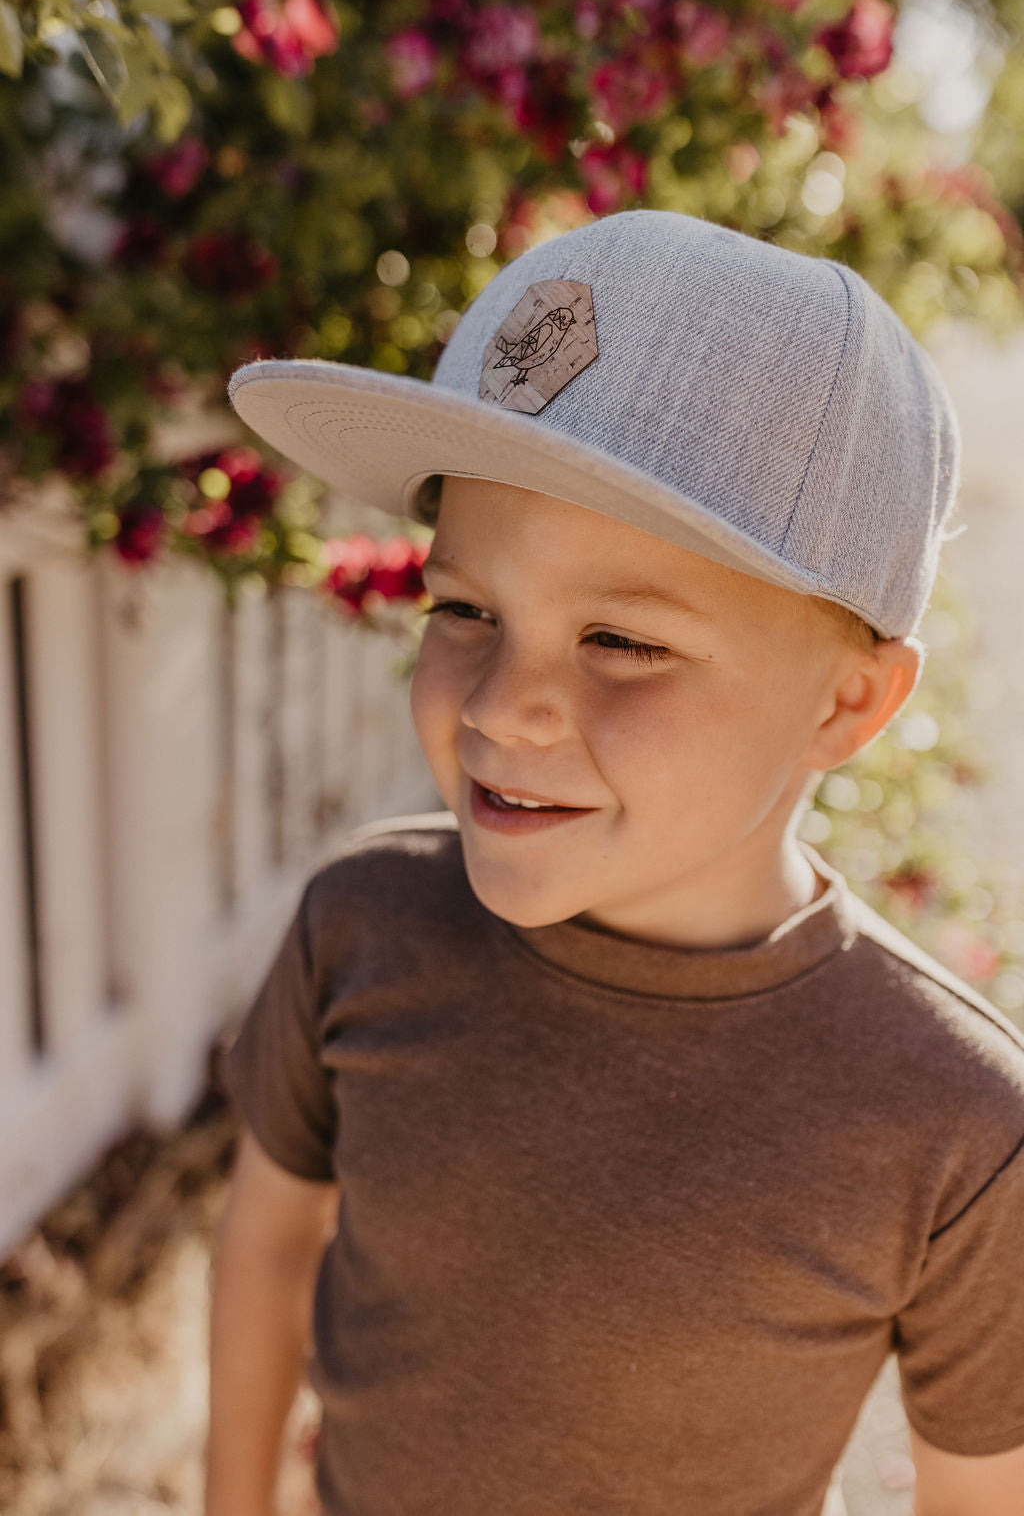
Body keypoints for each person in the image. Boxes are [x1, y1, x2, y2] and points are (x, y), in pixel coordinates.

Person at [206, 209, 1024, 1516]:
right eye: (465, 609)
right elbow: (264, 1245)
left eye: (624, 642)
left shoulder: (957, 1122)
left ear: (848, 705)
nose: (503, 705)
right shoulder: (358, 928)